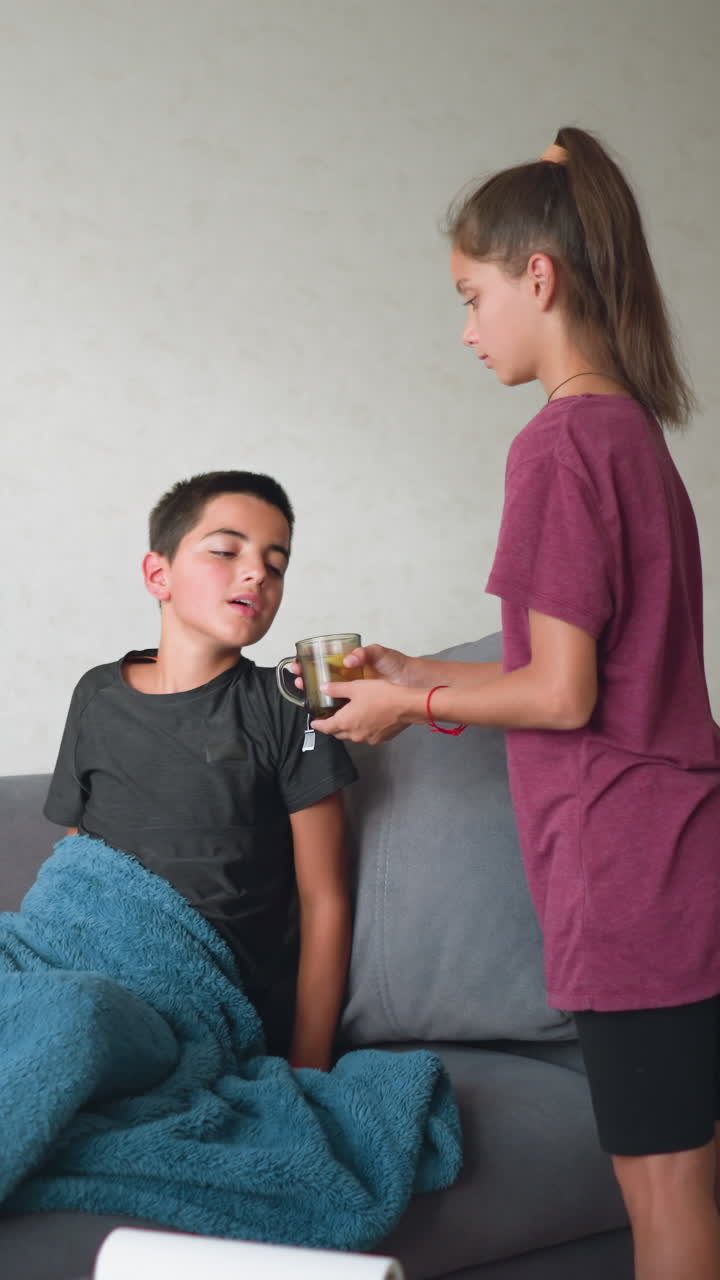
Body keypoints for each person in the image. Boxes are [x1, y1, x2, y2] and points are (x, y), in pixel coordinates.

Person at [309, 128, 720, 1278]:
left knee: (668, 1192)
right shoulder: (630, 432)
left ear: (538, 276)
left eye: (472, 295)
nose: (467, 327)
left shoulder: (555, 446)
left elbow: (561, 689)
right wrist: (407, 675)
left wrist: (405, 706)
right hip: (677, 851)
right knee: (686, 1174)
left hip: (628, 872)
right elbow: (582, 671)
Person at [44, 470, 357, 1071]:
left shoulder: (289, 701)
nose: (257, 573)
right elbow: (75, 867)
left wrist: (310, 1067)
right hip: (94, 965)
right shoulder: (96, 695)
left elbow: (325, 900)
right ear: (158, 575)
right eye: (225, 550)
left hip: (208, 997)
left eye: (276, 562)